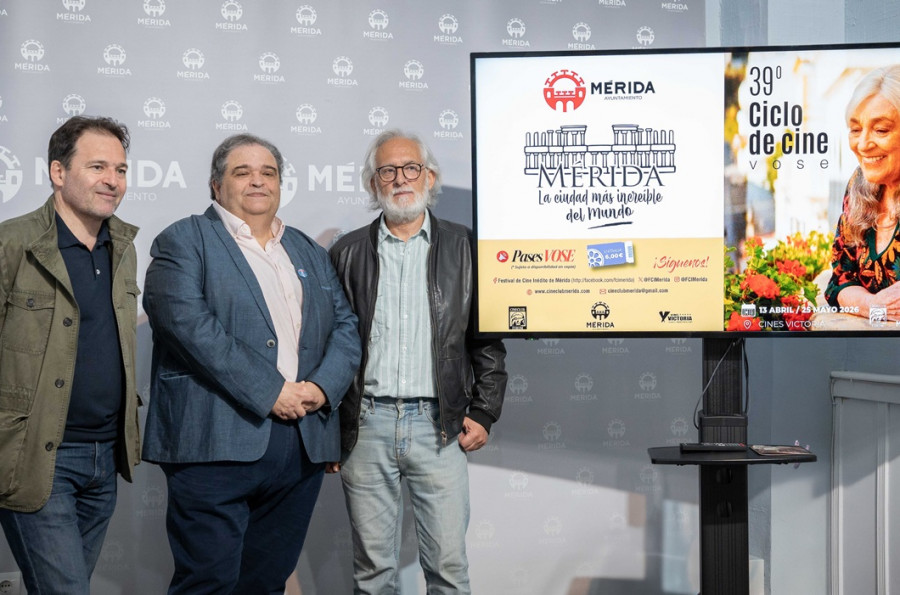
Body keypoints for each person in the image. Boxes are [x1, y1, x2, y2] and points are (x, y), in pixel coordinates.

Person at [141, 133, 360, 593]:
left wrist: (321, 389)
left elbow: (345, 327)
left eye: (268, 173)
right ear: (216, 186)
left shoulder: (307, 250)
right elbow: (188, 328)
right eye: (242, 172)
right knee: (209, 582)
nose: (257, 181)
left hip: (301, 443)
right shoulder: (183, 240)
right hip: (215, 443)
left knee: (266, 582)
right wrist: (271, 391)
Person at [328, 130, 508, 594]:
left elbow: (487, 341)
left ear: (430, 177)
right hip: (365, 427)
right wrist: (328, 427)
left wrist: (485, 410)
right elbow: (327, 347)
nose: (400, 179)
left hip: (439, 426)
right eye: (387, 171)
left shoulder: (467, 247)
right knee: (373, 574)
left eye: (411, 168)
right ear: (373, 184)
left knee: (448, 569)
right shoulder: (346, 253)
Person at [0, 116, 140, 593]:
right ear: (58, 172)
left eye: (120, 169)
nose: (112, 180)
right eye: (97, 166)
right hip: (38, 457)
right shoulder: (13, 243)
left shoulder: (123, 247)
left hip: (105, 459)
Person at [826, 64, 900, 321]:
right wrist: (872, 305)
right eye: (856, 129)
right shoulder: (859, 185)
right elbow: (839, 280)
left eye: (881, 130)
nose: (863, 144)